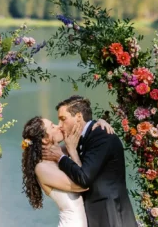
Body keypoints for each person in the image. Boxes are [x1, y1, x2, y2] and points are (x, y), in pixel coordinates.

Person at [42, 95, 138, 227]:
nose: (60, 125)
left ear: (79, 117)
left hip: (110, 215)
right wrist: (70, 150)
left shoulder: (101, 135)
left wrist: (61, 157)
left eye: (63, 119)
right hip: (94, 216)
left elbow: (84, 178)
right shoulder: (77, 140)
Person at [21, 114, 113, 226]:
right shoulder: (42, 168)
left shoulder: (62, 152)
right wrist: (72, 150)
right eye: (52, 126)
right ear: (45, 139)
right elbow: (82, 185)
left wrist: (100, 123)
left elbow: (83, 134)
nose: (58, 126)